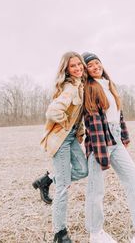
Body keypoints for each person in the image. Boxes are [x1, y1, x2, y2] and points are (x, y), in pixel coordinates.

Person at [82, 52, 135, 243]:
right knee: (96, 190)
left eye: (97, 63)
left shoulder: (109, 85)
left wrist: (124, 135)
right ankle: (95, 233)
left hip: (116, 140)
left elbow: (118, 115)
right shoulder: (89, 88)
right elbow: (93, 121)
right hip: (99, 141)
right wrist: (101, 152)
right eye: (90, 65)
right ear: (86, 71)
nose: (96, 66)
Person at [39, 51, 88, 243]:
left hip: (71, 139)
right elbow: (52, 111)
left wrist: (77, 129)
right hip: (61, 140)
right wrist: (67, 122)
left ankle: (48, 179)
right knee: (63, 187)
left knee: (83, 169)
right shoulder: (70, 88)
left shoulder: (80, 86)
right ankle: (59, 233)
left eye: (79, 65)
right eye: (73, 66)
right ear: (66, 69)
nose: (77, 68)